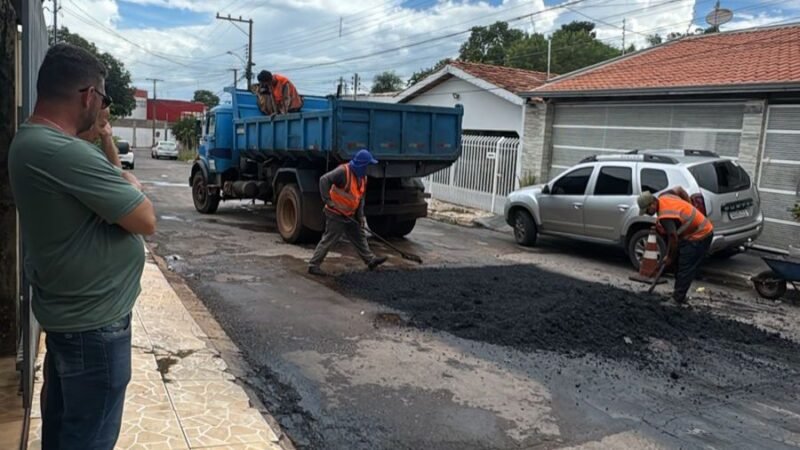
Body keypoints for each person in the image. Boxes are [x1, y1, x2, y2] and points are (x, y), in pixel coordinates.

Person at [8, 43, 156, 449]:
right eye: (104, 99)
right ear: (89, 95)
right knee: (88, 439)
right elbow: (145, 218)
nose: (103, 109)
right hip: (94, 329)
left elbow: (115, 188)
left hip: (74, 321)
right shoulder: (63, 151)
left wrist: (114, 169)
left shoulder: (36, 142)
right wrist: (129, 185)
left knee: (65, 431)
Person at [308, 149, 387, 276]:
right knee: (330, 239)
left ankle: (370, 260)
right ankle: (313, 265)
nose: (369, 169)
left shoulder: (363, 178)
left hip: (350, 214)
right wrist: (328, 201)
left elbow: (360, 198)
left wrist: (360, 216)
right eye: (367, 166)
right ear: (361, 165)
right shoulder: (343, 172)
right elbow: (324, 180)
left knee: (359, 236)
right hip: (335, 213)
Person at [638, 187, 714, 304]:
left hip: (700, 234)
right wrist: (689, 206)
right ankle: (679, 295)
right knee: (679, 264)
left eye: (647, 210)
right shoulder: (665, 196)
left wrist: (669, 257)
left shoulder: (665, 216)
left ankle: (677, 300)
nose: (648, 213)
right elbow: (679, 190)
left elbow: (673, 238)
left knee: (685, 266)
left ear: (652, 204)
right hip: (694, 233)